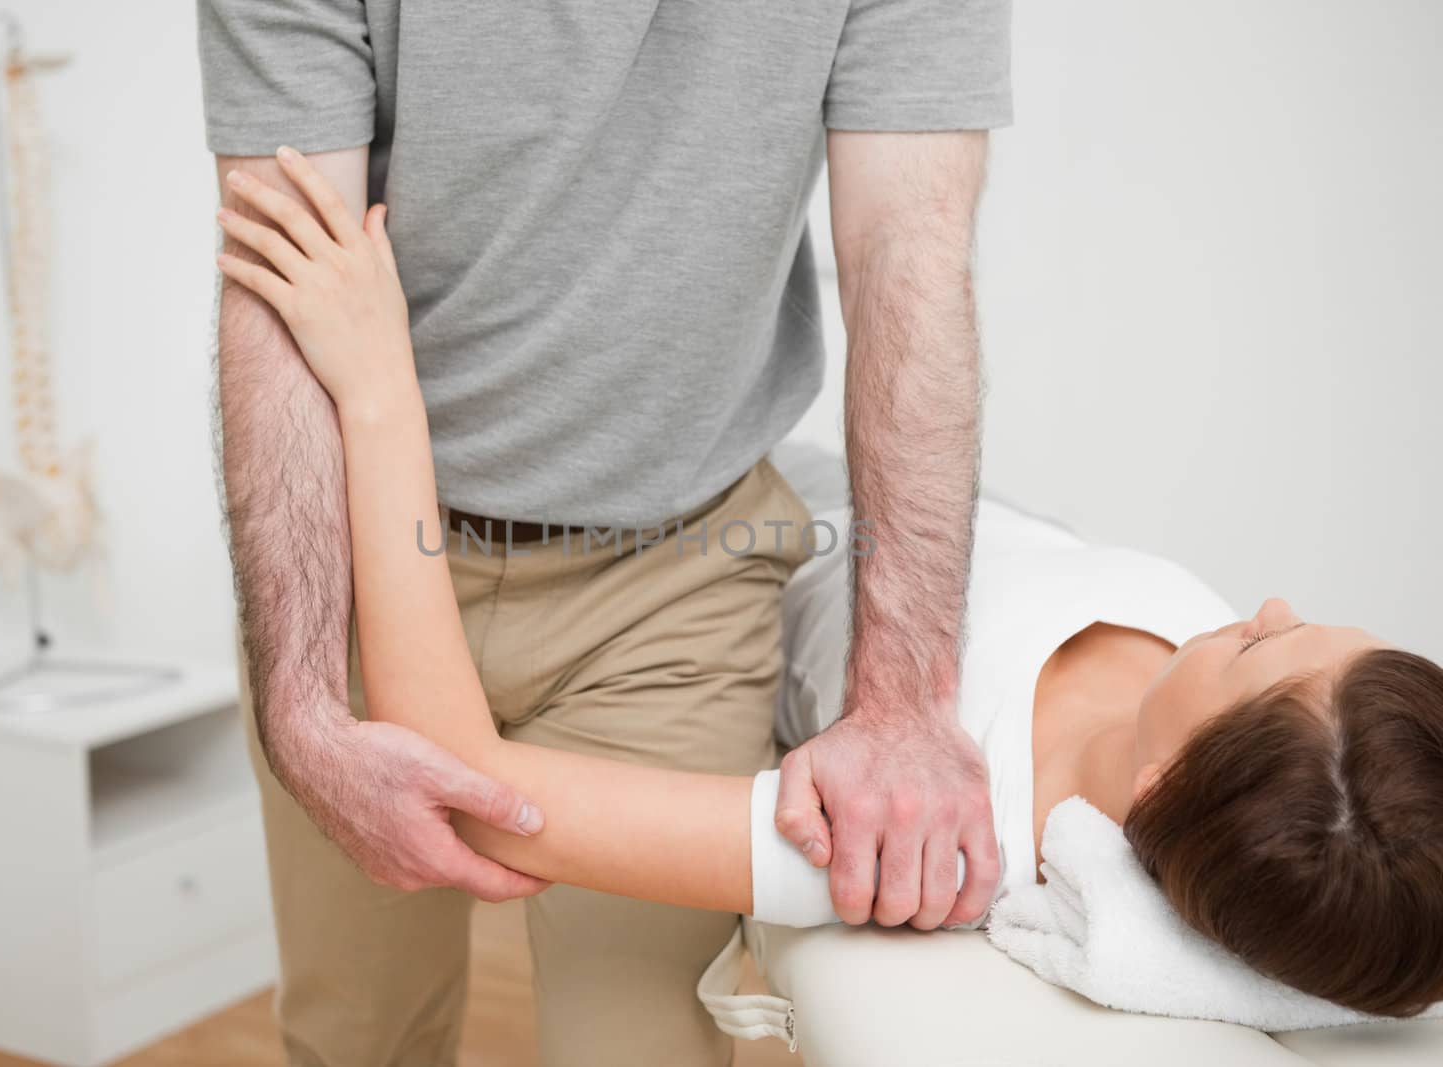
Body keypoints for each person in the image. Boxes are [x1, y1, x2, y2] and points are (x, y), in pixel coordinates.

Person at [215, 157, 1443, 1019]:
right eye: (1311, 631)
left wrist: (378, 382)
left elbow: (465, 793)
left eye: (1254, 648)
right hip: (788, 458)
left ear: (1160, 784)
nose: (1270, 606)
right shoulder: (1279, 760)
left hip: (680, 559)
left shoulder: (923, 840)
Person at [199, 2, 1013, 1063]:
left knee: (643, 1044)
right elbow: (278, 277)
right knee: (353, 1037)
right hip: (363, 557)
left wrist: (902, 699)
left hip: (674, 581)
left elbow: (908, 252)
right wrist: (301, 707)